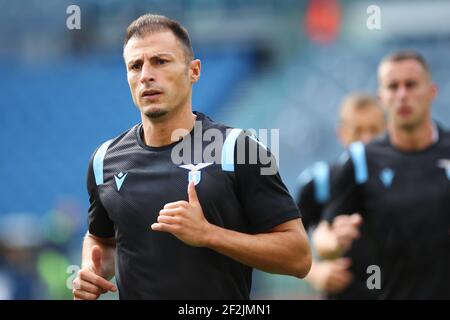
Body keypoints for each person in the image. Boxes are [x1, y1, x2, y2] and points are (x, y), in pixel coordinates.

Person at [72, 14, 311, 300]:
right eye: (135, 66)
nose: (146, 74)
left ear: (193, 71)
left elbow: (298, 258)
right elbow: (101, 240)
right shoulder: (105, 160)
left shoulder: (237, 148)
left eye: (160, 61)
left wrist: (208, 234)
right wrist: (91, 270)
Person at [319, 50, 450, 299]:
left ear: (431, 92)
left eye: (411, 85)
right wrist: (333, 245)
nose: (402, 95)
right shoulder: (360, 160)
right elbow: (324, 234)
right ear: (382, 97)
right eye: (393, 86)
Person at [296, 93, 385, 299]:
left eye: (374, 130)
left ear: (387, 130)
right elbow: (287, 242)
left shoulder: (402, 177)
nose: (366, 139)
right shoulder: (318, 182)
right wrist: (315, 272)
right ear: (342, 133)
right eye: (358, 131)